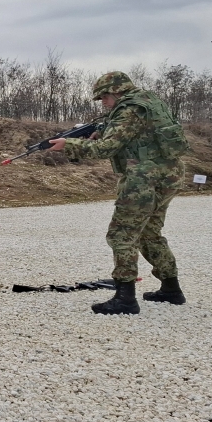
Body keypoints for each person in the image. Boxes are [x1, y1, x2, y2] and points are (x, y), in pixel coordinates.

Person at [49, 71, 188, 315]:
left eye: (104, 96)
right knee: (149, 233)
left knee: (122, 235)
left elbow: (106, 148)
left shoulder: (129, 109)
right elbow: (139, 134)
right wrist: (100, 130)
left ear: (117, 91)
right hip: (170, 173)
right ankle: (171, 289)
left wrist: (69, 145)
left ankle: (125, 299)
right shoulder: (150, 101)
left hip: (143, 178)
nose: (102, 101)